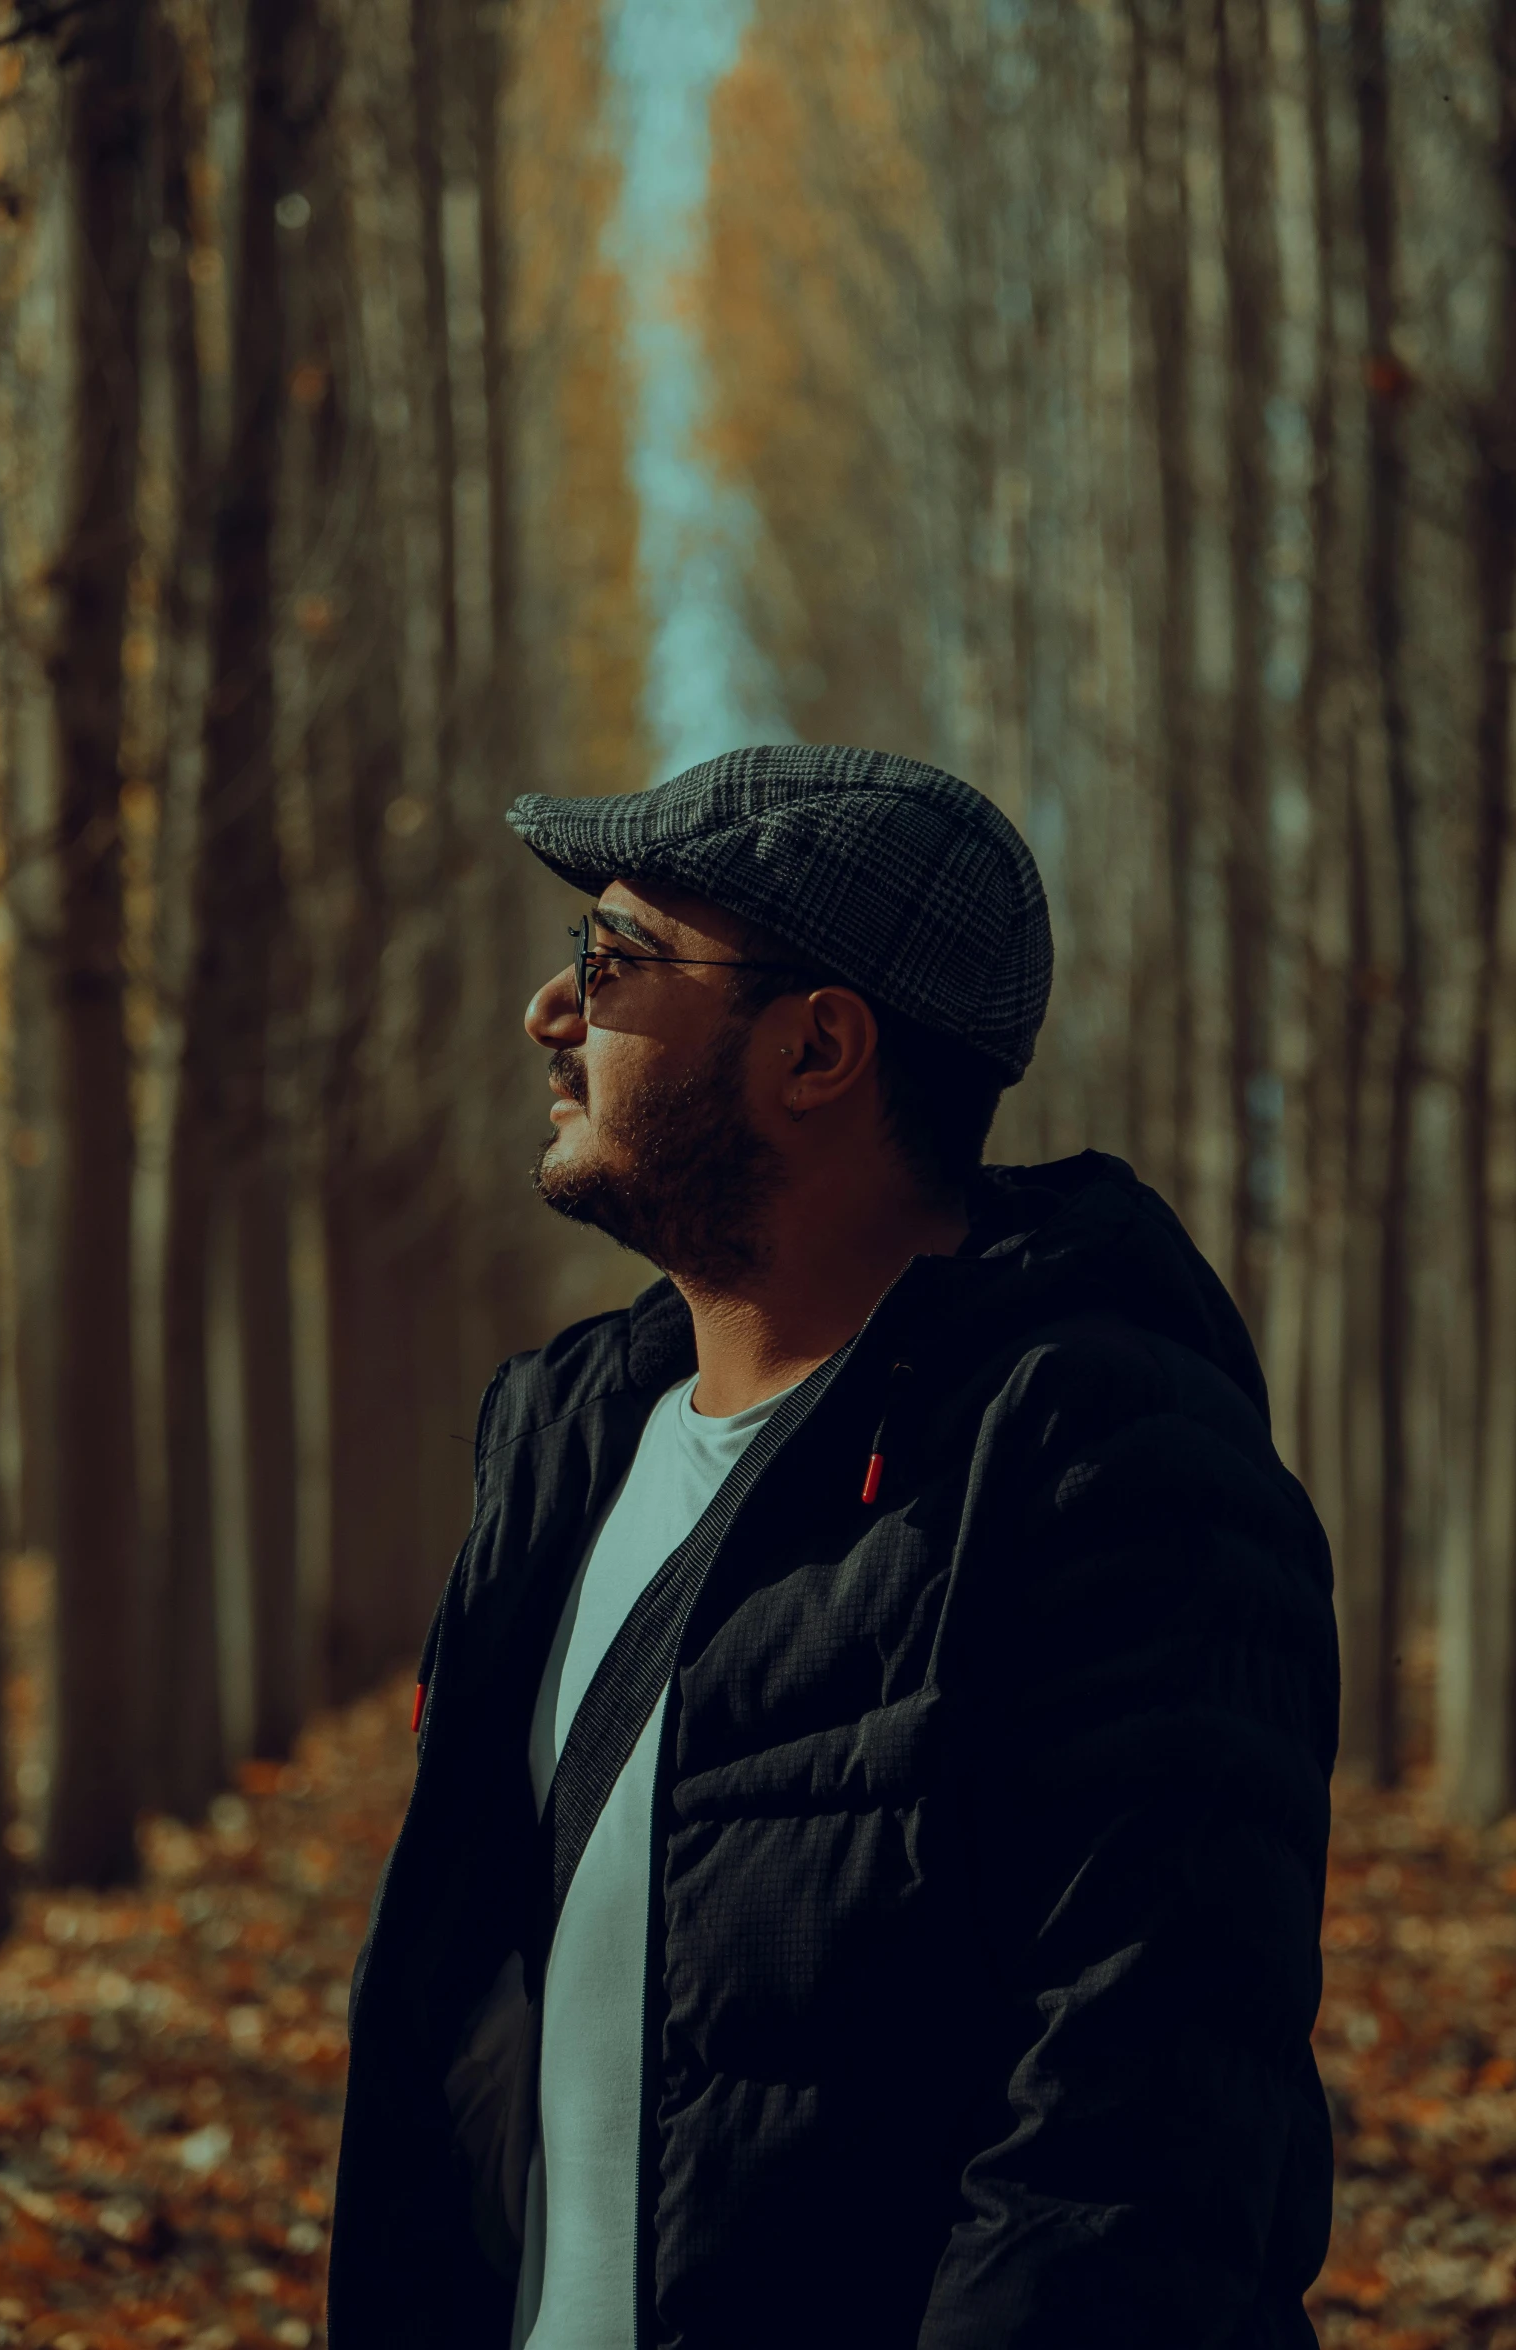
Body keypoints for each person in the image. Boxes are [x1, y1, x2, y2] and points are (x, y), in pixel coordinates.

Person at [327, 742, 1338, 2349]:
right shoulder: (560, 1442)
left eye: (611, 959)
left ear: (815, 1048)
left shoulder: (1103, 1468)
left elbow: (1126, 2156)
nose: (549, 1007)